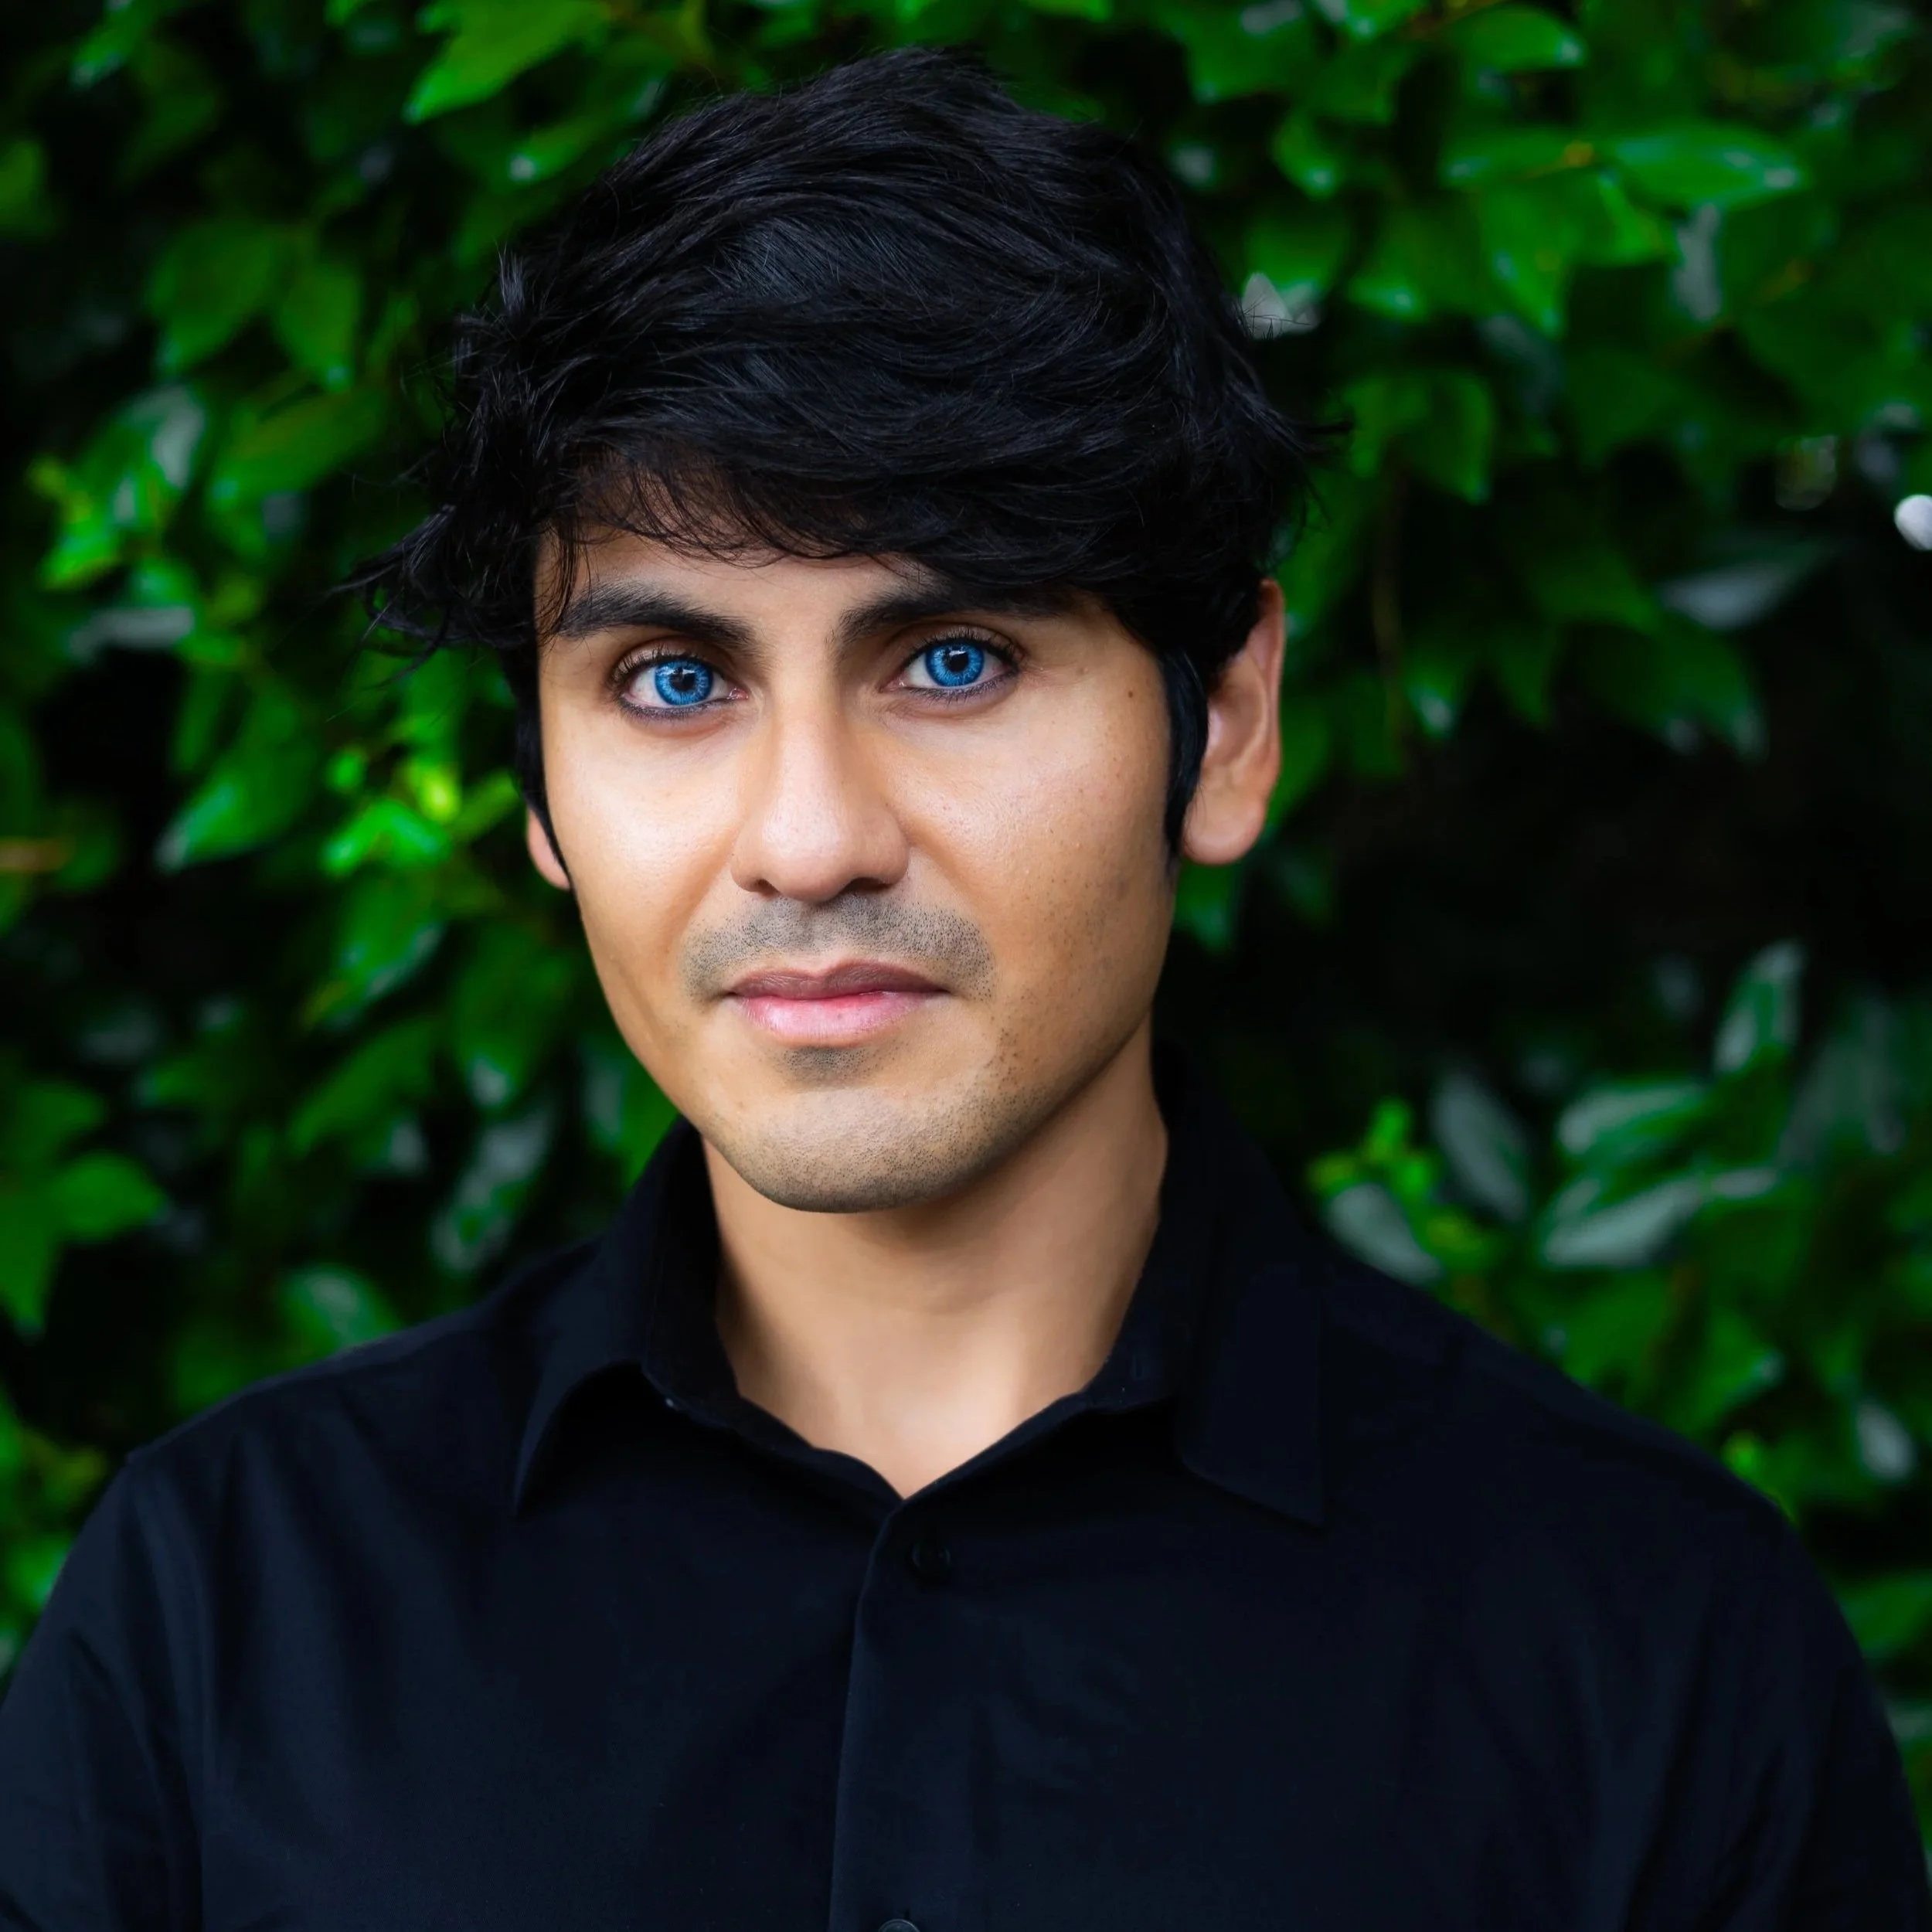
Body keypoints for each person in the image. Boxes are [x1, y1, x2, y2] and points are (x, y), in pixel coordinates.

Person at [1, 46, 1925, 1932]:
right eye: (672, 679)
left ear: (1227, 720)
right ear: (537, 783)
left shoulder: (1657, 1649)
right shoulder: (222, 1609)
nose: (810, 839)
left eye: (952, 660)